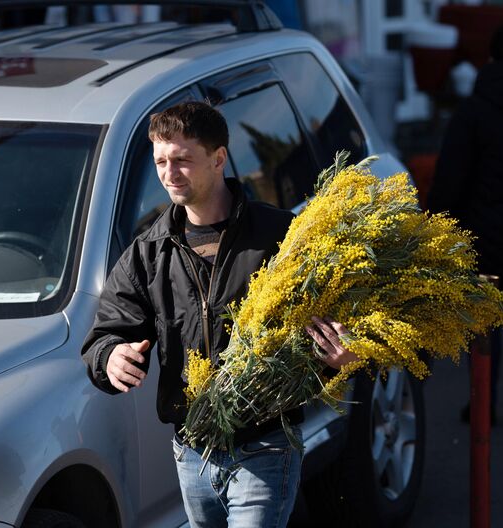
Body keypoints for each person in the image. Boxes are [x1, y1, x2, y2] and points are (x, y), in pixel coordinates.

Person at [81, 101, 356, 527]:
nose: (169, 174)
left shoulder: (281, 237)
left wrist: (346, 355)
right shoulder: (149, 251)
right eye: (160, 161)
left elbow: (345, 322)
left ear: (219, 158)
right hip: (191, 451)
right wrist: (110, 356)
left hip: (265, 445)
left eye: (182, 160)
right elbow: (106, 333)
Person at [427, 23, 503, 425]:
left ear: (491, 58)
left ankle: (483, 405)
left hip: (487, 240)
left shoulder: (474, 111)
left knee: (486, 325)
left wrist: (440, 232)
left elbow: (449, 179)